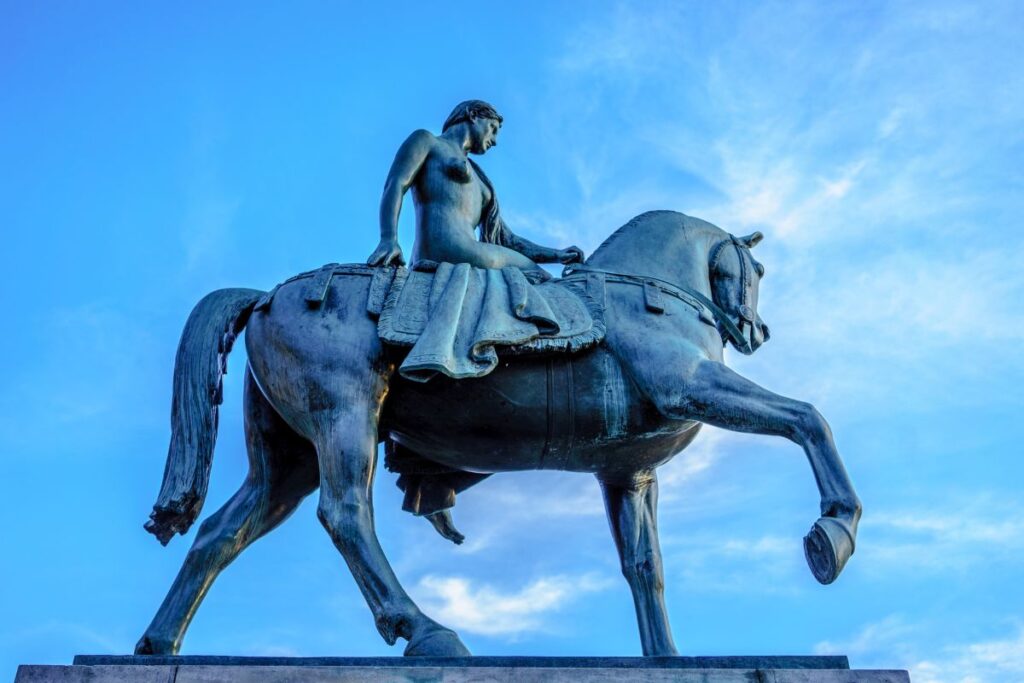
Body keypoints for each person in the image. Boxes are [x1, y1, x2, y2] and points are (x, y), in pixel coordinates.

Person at [367, 100, 583, 276]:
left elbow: (507, 239)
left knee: (535, 271)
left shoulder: (482, 180)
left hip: (469, 250)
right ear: (473, 115)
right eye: (493, 128)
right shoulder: (428, 141)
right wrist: (388, 239)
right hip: (449, 249)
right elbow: (396, 184)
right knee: (540, 276)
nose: (495, 140)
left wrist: (557, 255)